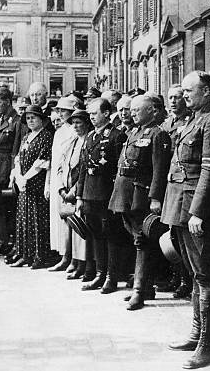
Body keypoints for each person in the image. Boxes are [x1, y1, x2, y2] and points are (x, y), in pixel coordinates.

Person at [162, 71, 210, 369]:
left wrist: (198, 211)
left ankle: (206, 344)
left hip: (197, 210)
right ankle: (195, 333)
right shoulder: (192, 119)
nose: (186, 95)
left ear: (206, 90)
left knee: (205, 276)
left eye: (190, 90)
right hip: (181, 205)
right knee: (194, 274)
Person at [108, 95, 171, 308]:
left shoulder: (158, 134)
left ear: (152, 111)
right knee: (136, 238)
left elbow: (159, 169)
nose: (132, 113)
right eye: (131, 110)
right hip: (125, 192)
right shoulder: (134, 132)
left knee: (142, 241)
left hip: (140, 194)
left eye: (137, 110)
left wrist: (155, 197)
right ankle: (146, 287)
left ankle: (139, 290)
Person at [75, 98, 127, 291]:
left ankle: (111, 278)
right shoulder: (89, 137)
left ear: (106, 113)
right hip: (90, 194)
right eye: (90, 114)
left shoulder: (116, 136)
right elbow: (82, 168)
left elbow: (118, 169)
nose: (92, 117)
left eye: (95, 114)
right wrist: (80, 196)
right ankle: (99, 273)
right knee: (96, 235)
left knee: (111, 236)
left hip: (107, 194)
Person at [9, 105, 54, 269]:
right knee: (23, 218)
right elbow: (19, 158)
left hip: (37, 183)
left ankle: (39, 255)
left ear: (41, 119)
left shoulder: (46, 136)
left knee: (37, 219)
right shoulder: (26, 137)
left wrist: (26, 178)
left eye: (34, 117)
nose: (30, 121)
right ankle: (24, 254)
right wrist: (19, 177)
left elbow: (42, 162)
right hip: (24, 185)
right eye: (28, 118)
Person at [160, 84, 193, 298]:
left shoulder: (189, 122)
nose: (173, 101)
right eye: (170, 97)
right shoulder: (166, 124)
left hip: (183, 184)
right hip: (168, 182)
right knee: (172, 234)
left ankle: (187, 280)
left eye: (177, 97)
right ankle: (177, 276)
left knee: (183, 236)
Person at [59, 110, 92, 280]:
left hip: (80, 191)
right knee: (72, 228)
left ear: (86, 123)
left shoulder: (89, 140)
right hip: (68, 189)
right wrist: (62, 189)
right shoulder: (72, 142)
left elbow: (84, 170)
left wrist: (74, 191)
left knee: (82, 231)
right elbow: (63, 165)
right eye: (74, 123)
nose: (76, 126)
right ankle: (74, 260)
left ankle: (83, 264)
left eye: (79, 123)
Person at [0, 87, 20, 257]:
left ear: (7, 102)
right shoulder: (0, 121)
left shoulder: (17, 121)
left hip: (7, 171)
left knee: (10, 209)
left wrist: (12, 173)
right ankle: (2, 241)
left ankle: (13, 242)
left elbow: (16, 150)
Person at [47, 96, 78, 271]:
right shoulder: (59, 132)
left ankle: (71, 258)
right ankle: (63, 255)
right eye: (59, 110)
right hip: (58, 179)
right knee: (59, 218)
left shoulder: (74, 131)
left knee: (70, 218)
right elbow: (55, 159)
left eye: (63, 111)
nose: (60, 114)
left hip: (69, 179)